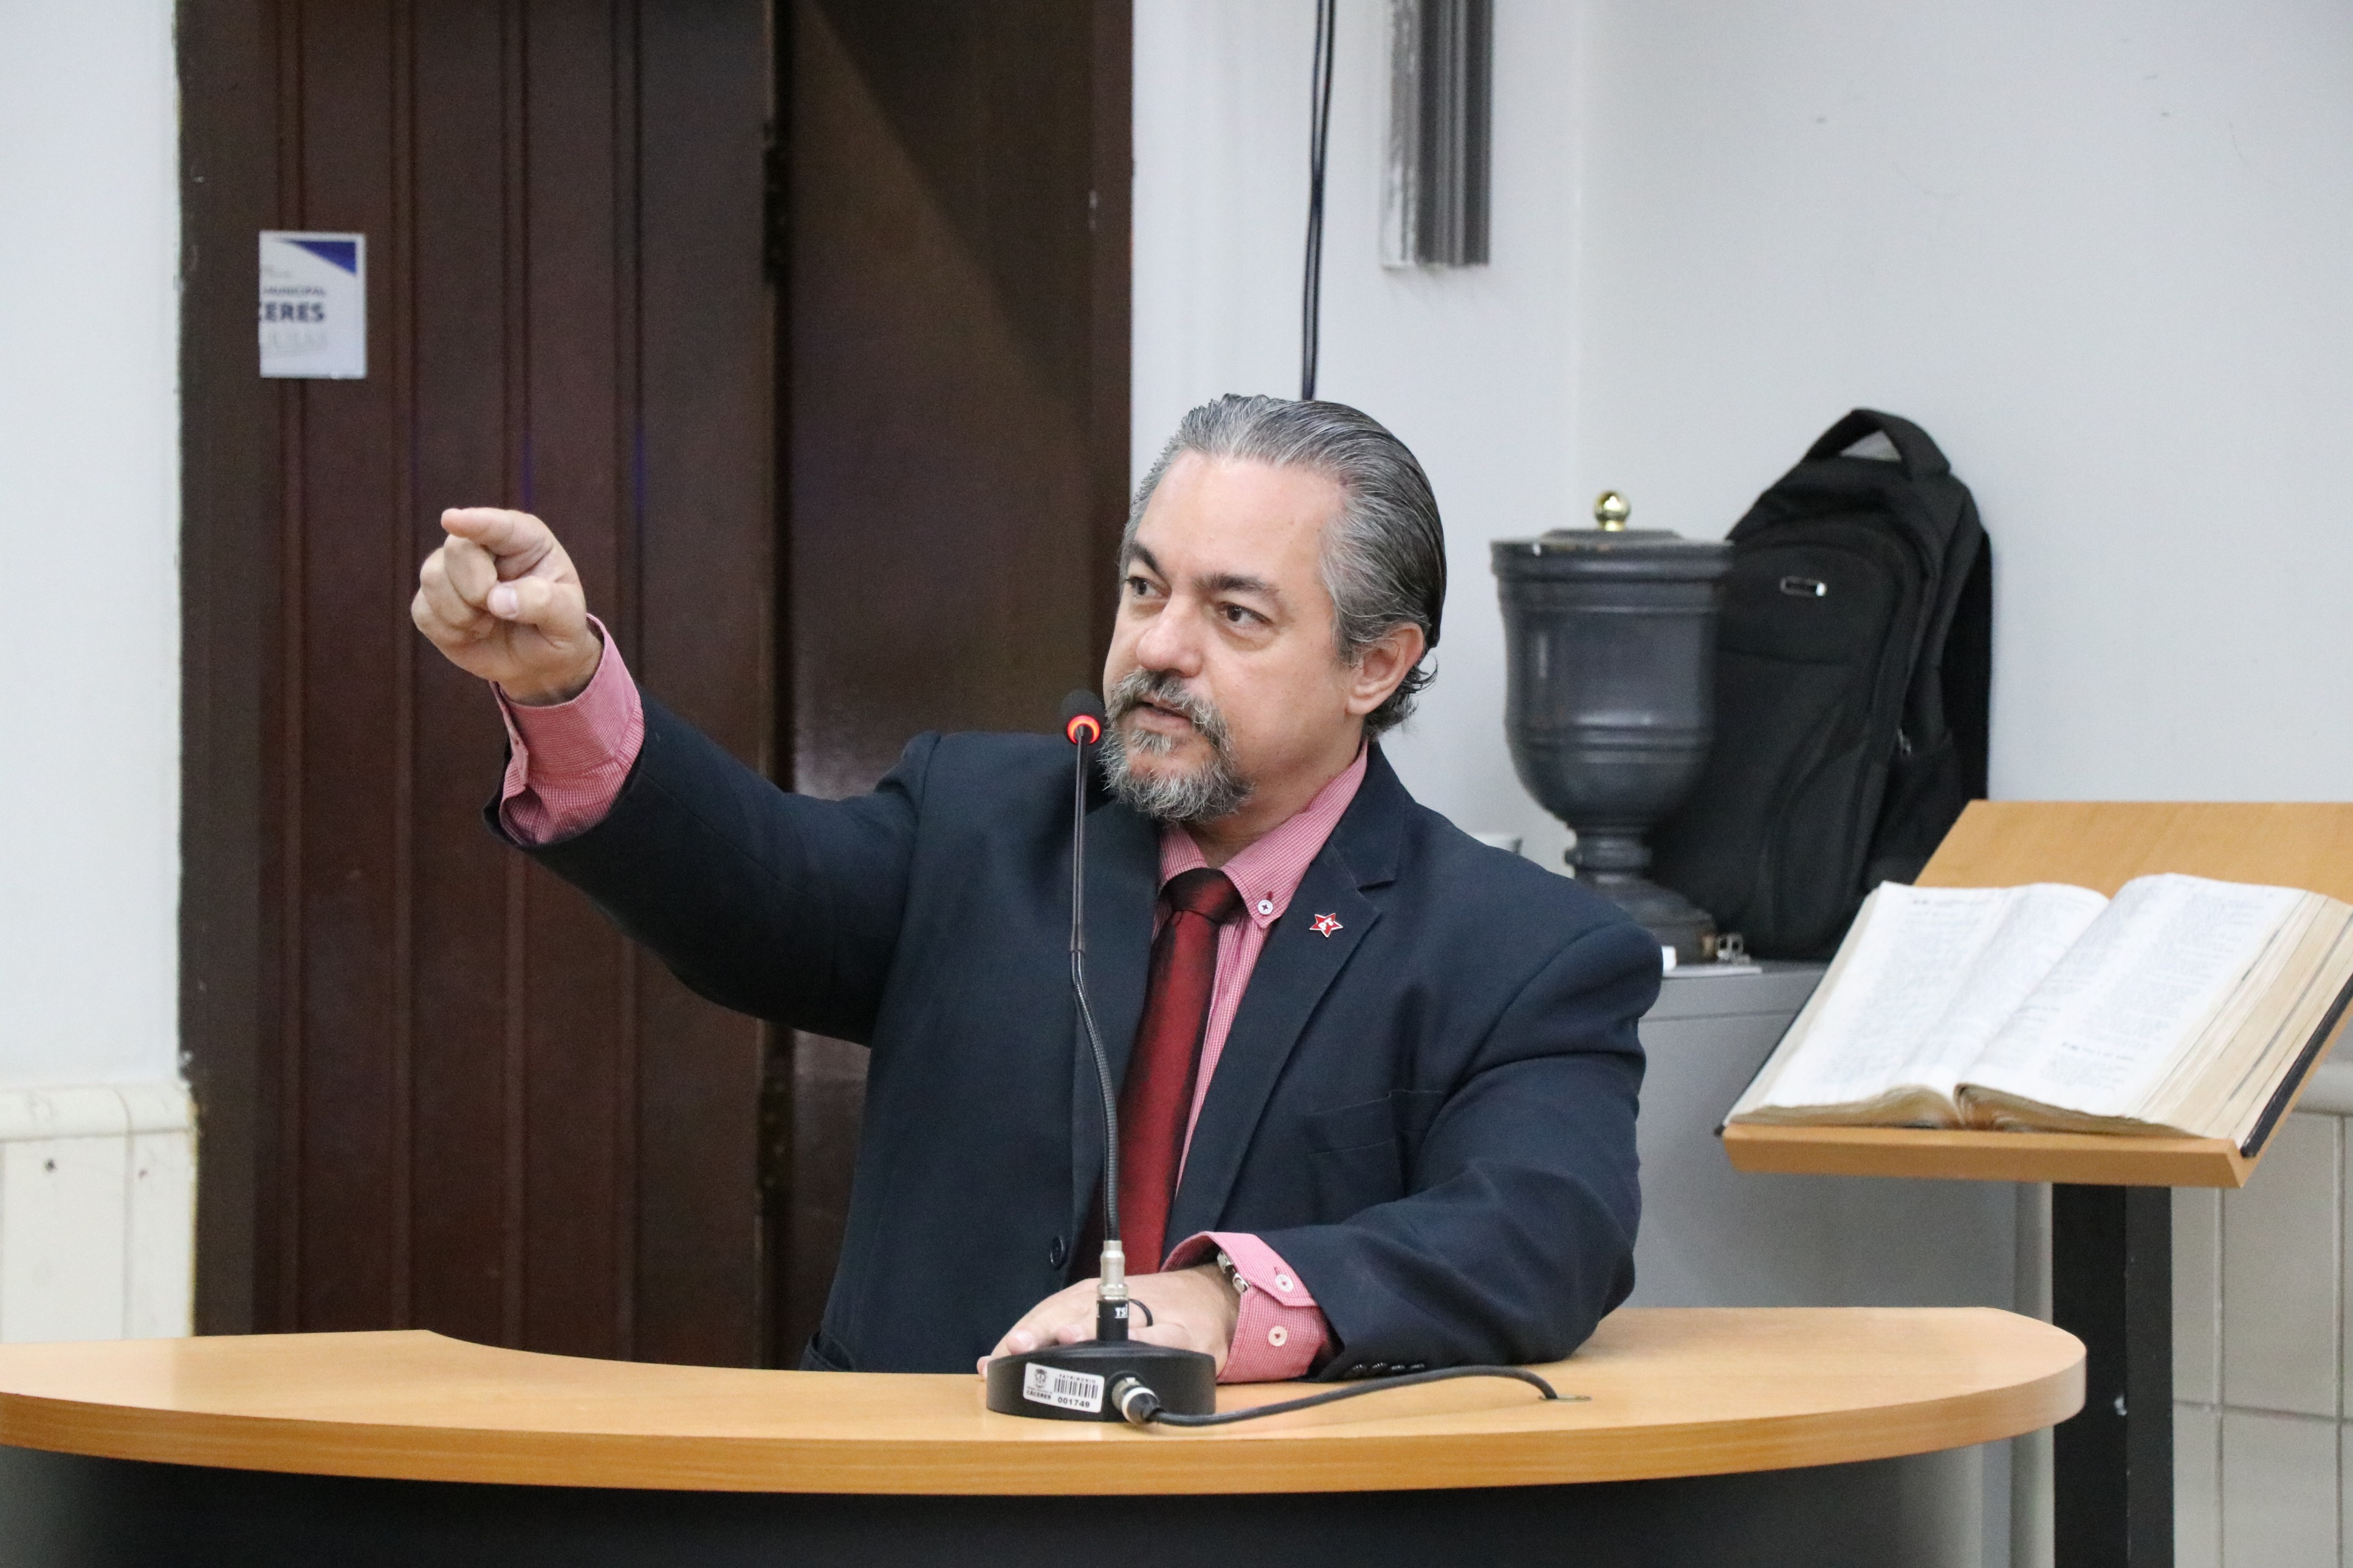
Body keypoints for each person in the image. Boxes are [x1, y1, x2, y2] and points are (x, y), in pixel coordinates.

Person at [411, 394, 1658, 1381]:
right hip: (913, 1510)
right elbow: (753, 888)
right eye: (1144, 588)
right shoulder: (978, 823)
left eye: (1234, 614)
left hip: (1257, 1525)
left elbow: (1543, 1226)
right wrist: (562, 686)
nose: (1158, 647)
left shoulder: (1517, 950)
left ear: (1375, 664)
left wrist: (1225, 1299)